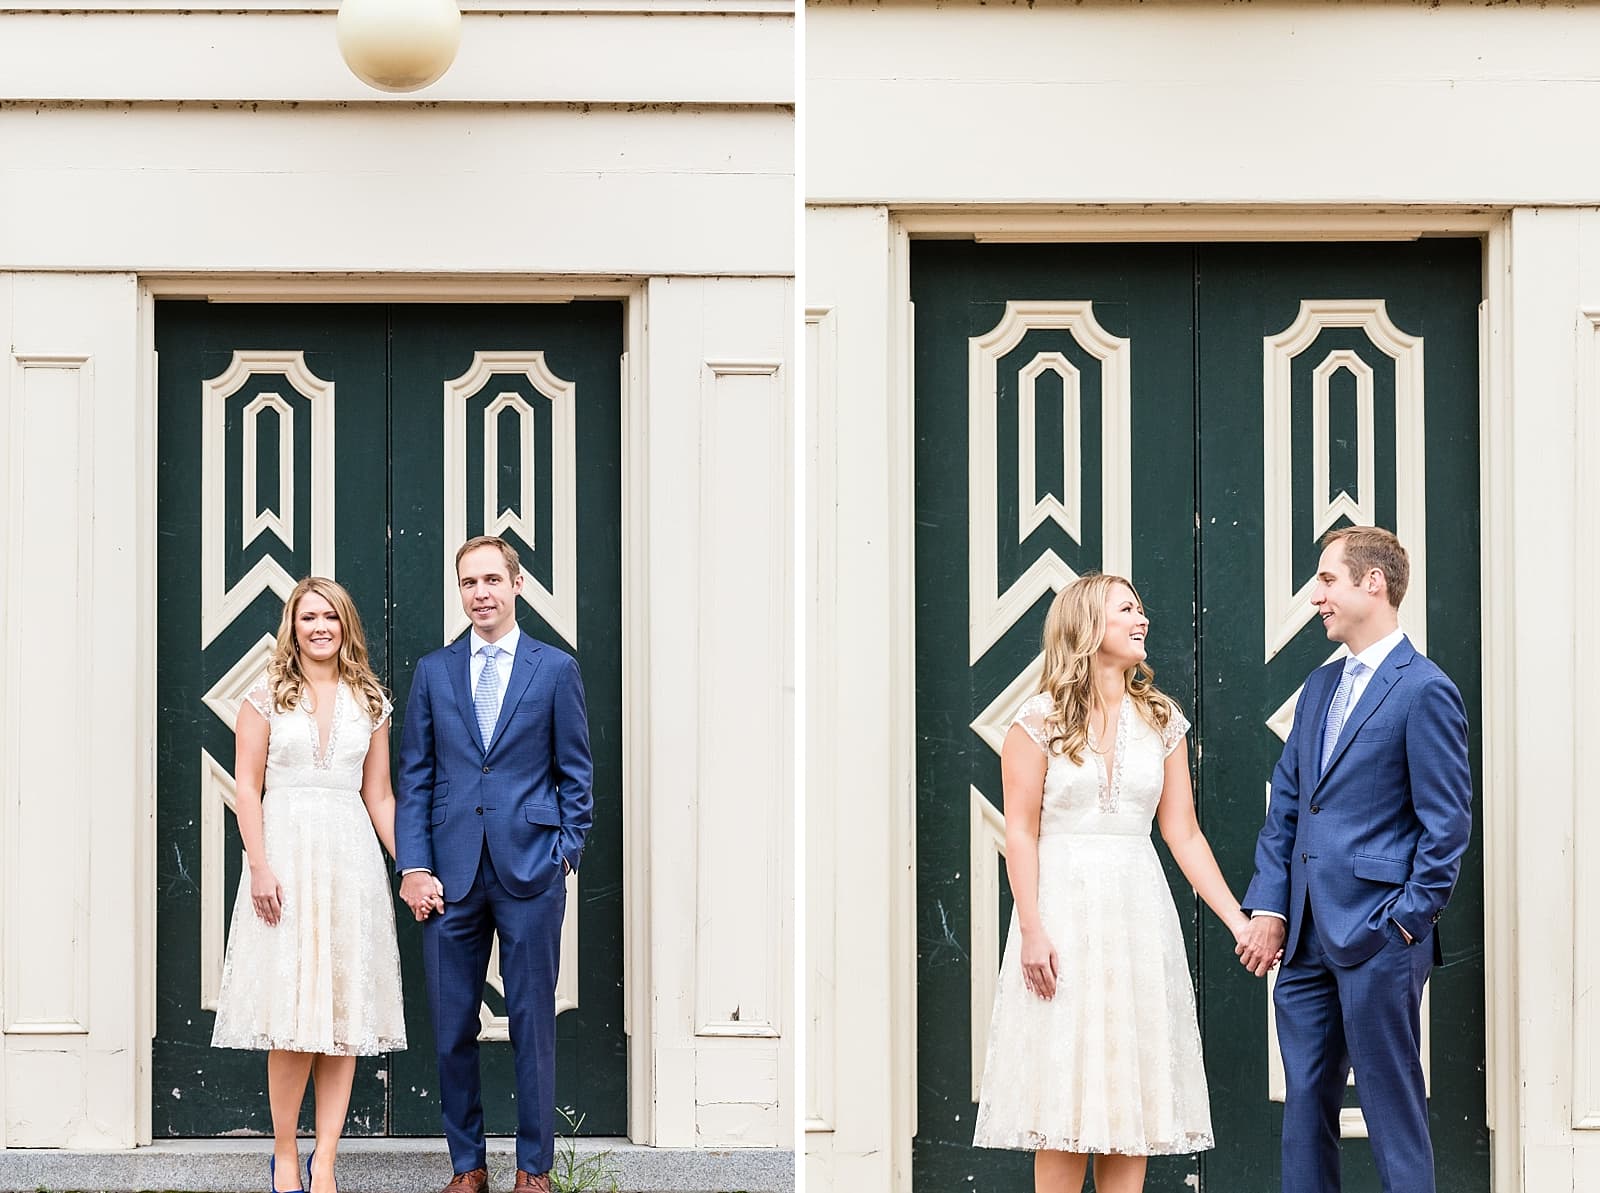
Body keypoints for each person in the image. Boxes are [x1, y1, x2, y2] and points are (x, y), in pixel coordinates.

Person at [973, 572, 1255, 1193]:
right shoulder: (1037, 721)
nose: (1142, 619)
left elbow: (1183, 833)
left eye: (1141, 608)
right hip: (1062, 918)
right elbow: (1019, 831)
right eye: (1127, 609)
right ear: (1087, 626)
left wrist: (1238, 918)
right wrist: (1031, 929)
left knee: (1133, 1095)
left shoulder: (1162, 719)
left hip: (1136, 914)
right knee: (1063, 1101)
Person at [1235, 526, 1473, 1193]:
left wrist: (1404, 925)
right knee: (1304, 1107)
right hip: (1306, 938)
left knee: (1392, 1109)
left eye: (1328, 579)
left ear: (1374, 583)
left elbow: (1447, 824)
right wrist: (1273, 904)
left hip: (1380, 938)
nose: (1316, 595)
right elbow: (1289, 804)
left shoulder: (1424, 689)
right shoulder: (1318, 687)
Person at [396, 535, 593, 1193]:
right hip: (450, 876)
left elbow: (576, 771)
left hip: (531, 869)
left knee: (533, 1024)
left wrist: (565, 851)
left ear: (516, 585)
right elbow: (417, 775)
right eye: (468, 582)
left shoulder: (554, 668)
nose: (479, 593)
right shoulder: (434, 671)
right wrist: (415, 865)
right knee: (452, 1025)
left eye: (490, 580)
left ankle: (533, 1169)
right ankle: (468, 1165)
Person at [212, 577, 407, 1193]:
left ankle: (325, 1160)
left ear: (345, 624)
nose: (319, 627)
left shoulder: (370, 700)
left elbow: (377, 794)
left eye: (329, 616)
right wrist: (260, 866)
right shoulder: (267, 693)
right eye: (307, 617)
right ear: (292, 627)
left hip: (349, 861)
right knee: (294, 1013)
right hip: (286, 858)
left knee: (341, 1018)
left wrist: (412, 863)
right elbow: (247, 786)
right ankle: (285, 1155)